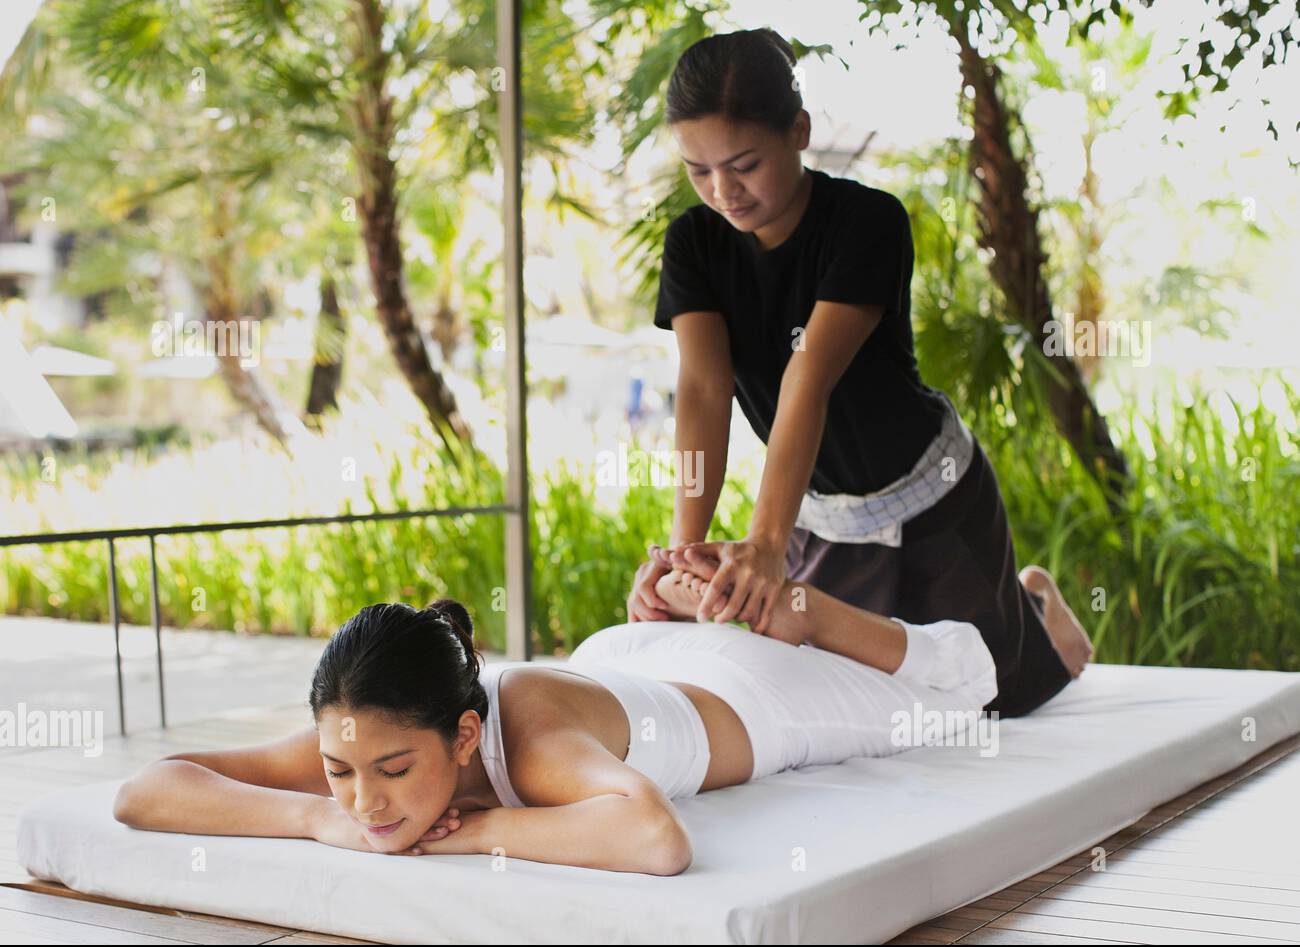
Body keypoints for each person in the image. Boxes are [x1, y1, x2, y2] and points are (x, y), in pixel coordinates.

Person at [626, 27, 1092, 719]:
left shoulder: (866, 222)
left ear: (800, 131)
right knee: (865, 692)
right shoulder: (694, 242)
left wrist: (763, 545)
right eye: (699, 171)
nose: (723, 190)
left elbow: (807, 377)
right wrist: (682, 548)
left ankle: (1037, 605)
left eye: (745, 163)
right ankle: (1016, 605)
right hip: (825, 516)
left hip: (934, 499)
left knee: (988, 695)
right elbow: (703, 389)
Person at [112, 583, 996, 877]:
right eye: (339, 770)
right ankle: (735, 608)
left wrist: (481, 832)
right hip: (621, 662)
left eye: (387, 770)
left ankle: (1031, 612)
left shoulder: (527, 743)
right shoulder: (364, 742)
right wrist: (312, 815)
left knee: (963, 690)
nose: (365, 800)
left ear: (465, 737)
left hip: (750, 698)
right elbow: (144, 790)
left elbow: (656, 840)